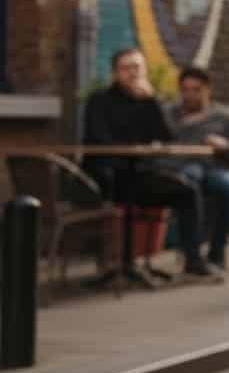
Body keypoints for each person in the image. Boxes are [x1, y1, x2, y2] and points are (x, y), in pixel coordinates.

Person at [82, 49, 212, 280]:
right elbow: (99, 140)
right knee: (130, 189)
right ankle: (122, 265)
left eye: (137, 68)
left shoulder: (146, 102)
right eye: (126, 68)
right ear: (115, 73)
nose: (133, 73)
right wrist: (132, 151)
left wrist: (151, 101)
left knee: (187, 192)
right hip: (106, 177)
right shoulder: (100, 100)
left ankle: (193, 260)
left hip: (138, 176)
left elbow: (165, 136)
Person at [165, 66, 229, 272]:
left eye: (196, 89)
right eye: (185, 90)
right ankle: (191, 254)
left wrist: (224, 145)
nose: (190, 95)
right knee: (186, 185)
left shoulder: (224, 115)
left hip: (216, 169)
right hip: (182, 169)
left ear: (207, 90)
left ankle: (217, 250)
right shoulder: (169, 114)